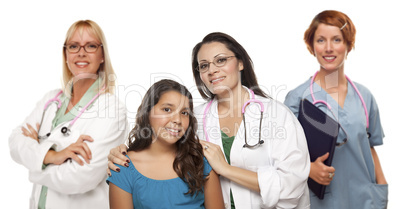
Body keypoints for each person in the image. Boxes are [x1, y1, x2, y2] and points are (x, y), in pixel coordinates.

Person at [108, 32, 310, 209]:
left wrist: (226, 169)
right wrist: (121, 151)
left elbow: (291, 187)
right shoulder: (193, 118)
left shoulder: (277, 115)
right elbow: (159, 146)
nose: (212, 70)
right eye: (204, 66)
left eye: (221, 60)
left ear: (240, 63)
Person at [8, 20, 127, 209]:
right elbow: (14, 142)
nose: (81, 53)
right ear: (65, 54)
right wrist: (52, 156)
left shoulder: (112, 109)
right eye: (73, 46)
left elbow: (80, 177)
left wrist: (34, 162)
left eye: (90, 46)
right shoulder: (51, 99)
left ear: (102, 55)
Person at [284, 10, 388, 209]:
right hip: (322, 202)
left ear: (349, 45)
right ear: (311, 46)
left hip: (366, 200)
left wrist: (382, 189)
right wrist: (307, 169)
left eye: (337, 40)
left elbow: (370, 148)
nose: (328, 48)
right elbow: (283, 156)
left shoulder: (364, 96)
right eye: (321, 40)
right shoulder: (297, 99)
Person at [107, 79, 224, 209]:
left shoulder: (201, 161)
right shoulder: (124, 166)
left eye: (184, 113)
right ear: (147, 113)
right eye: (167, 109)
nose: (177, 120)